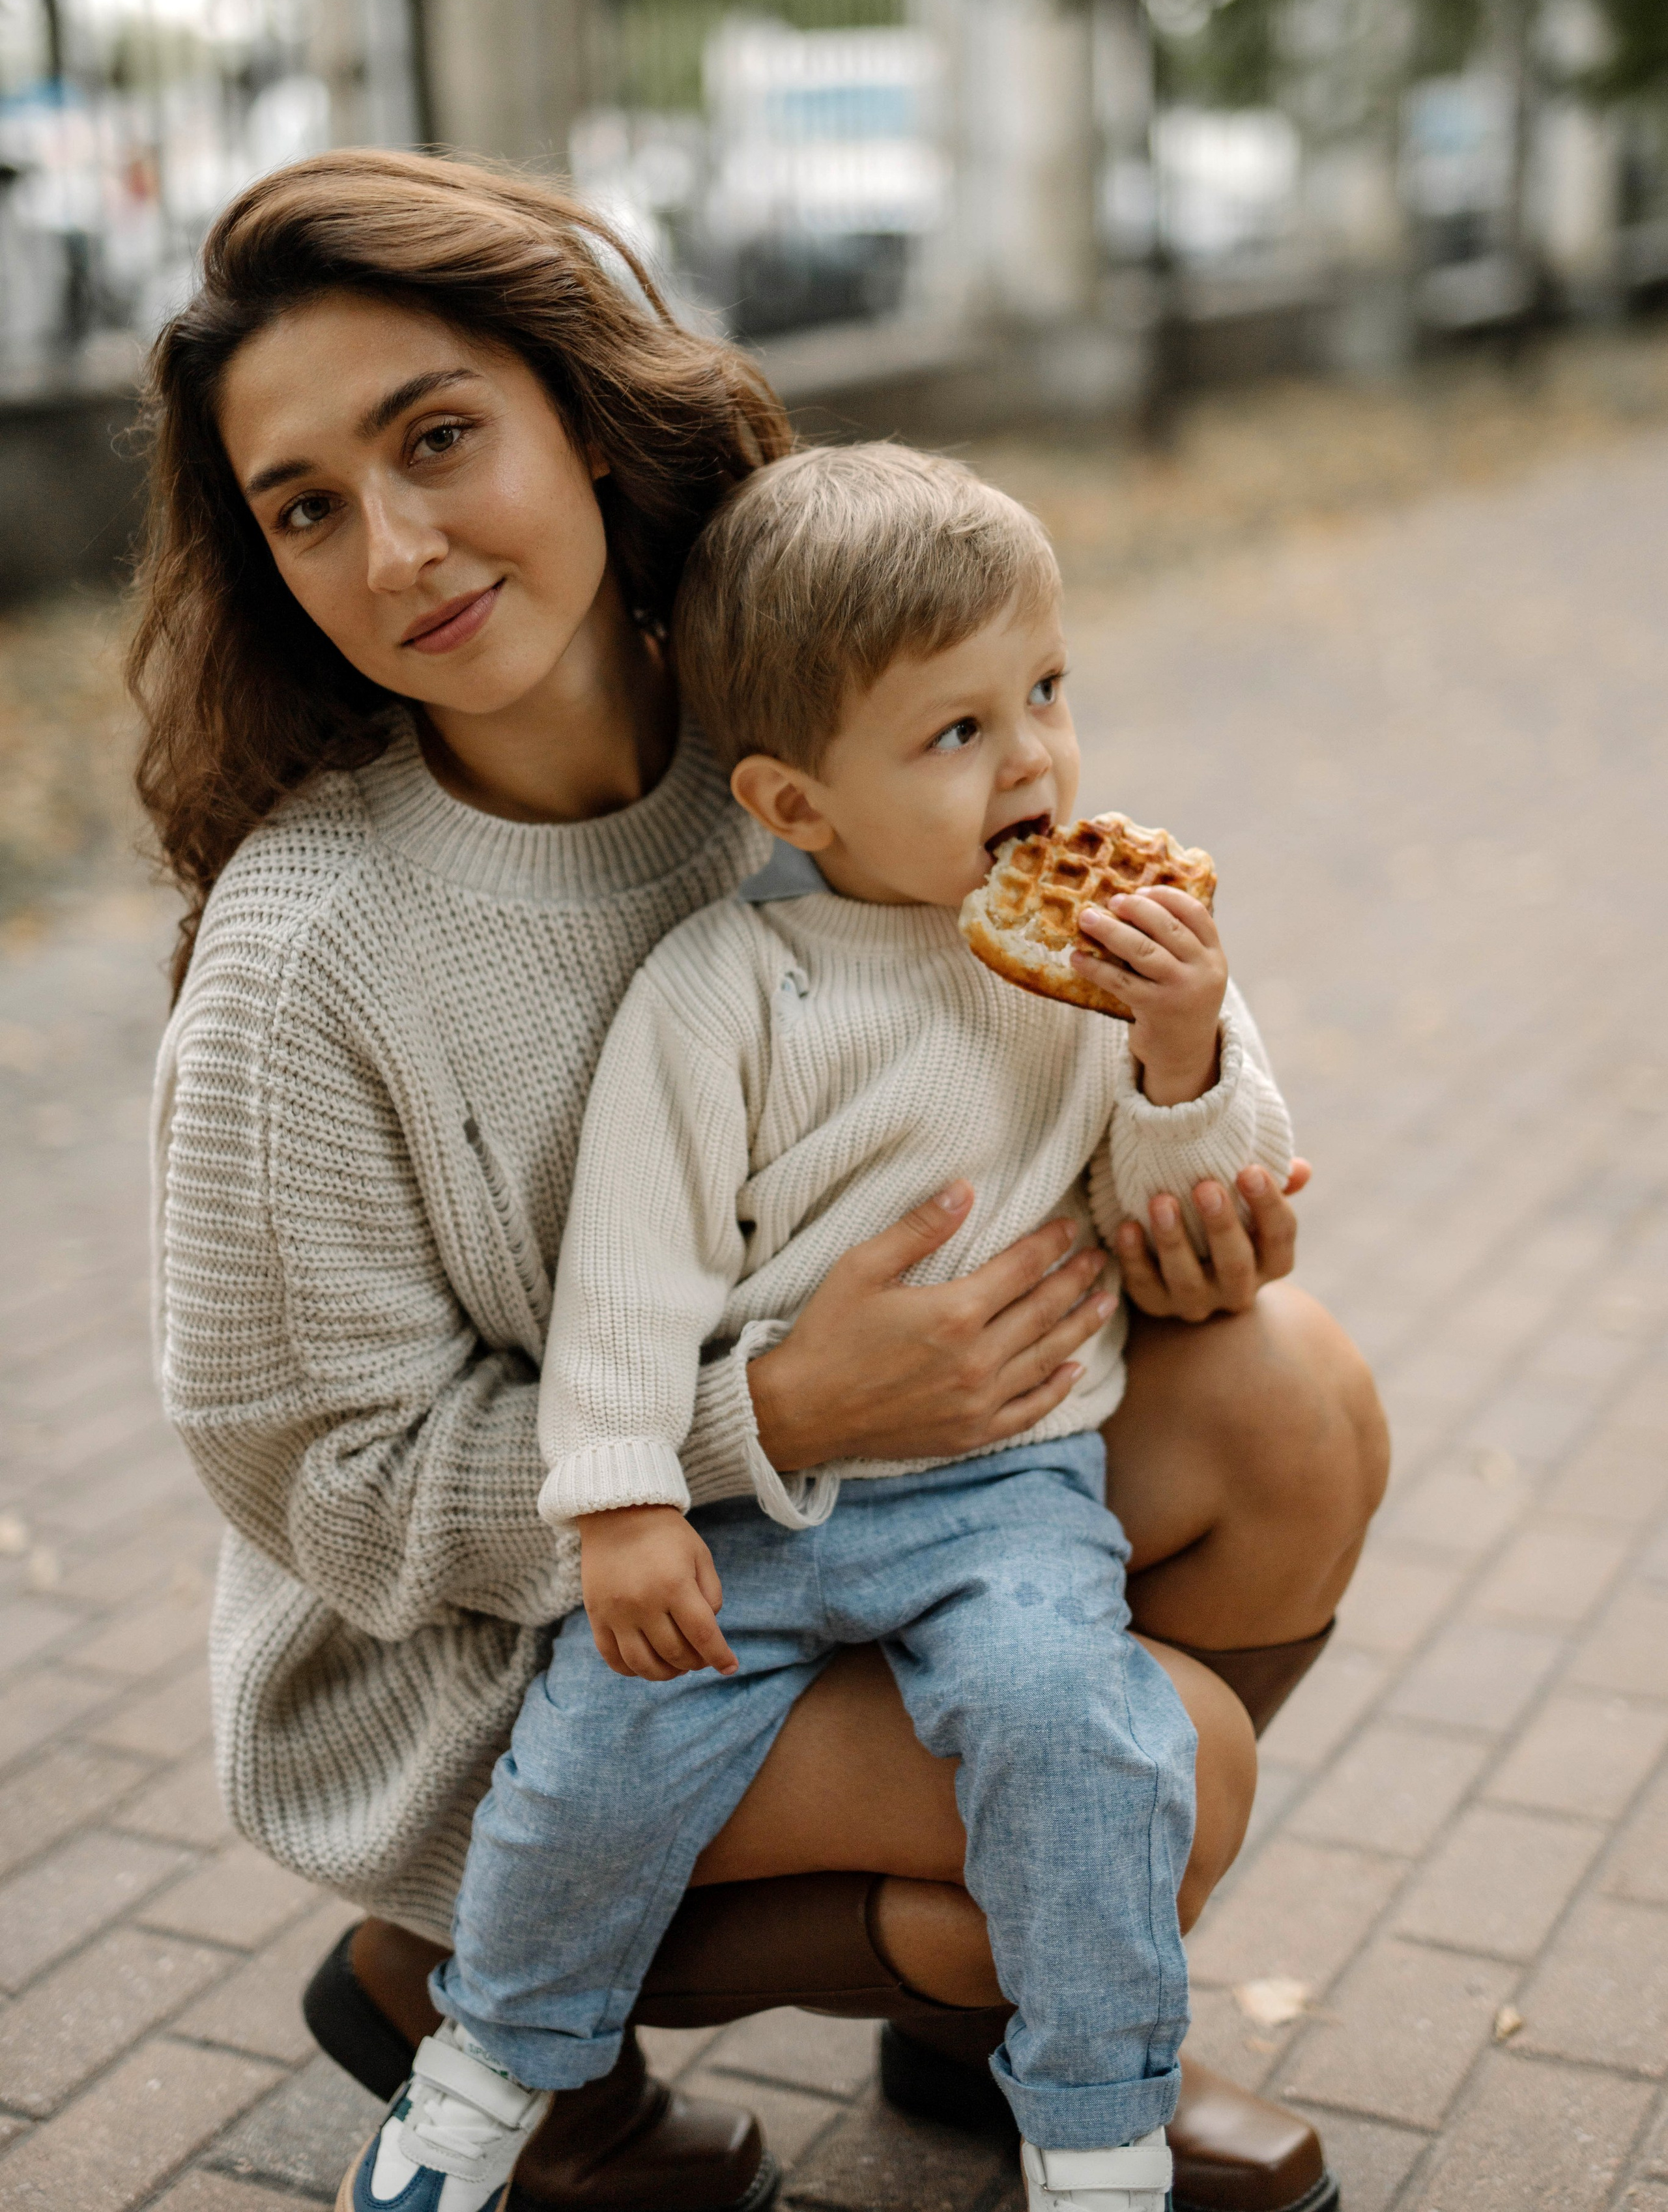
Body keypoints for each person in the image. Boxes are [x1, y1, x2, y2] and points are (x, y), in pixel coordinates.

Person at [136, 149, 1387, 2212]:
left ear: (582, 415)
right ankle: (460, 1965)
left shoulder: (807, 701)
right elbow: (329, 1482)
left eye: (439, 438)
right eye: (309, 509)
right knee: (1174, 1768)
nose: (399, 545)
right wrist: (775, 1413)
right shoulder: (311, 958)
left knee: (1293, 1398)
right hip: (514, 1637)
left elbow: (1069, 978)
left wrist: (1188, 1164)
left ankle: (1009, 2015)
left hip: (935, 1498)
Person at [341, 442, 1297, 2212]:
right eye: (955, 734)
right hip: (744, 1523)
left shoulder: (1102, 967)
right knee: (589, 1775)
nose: (1032, 758)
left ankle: (1097, 2133)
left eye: (1046, 692)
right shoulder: (725, 991)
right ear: (794, 802)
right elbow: (628, 1274)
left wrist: (1185, 1051)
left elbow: (1224, 1190)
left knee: (1078, 1738)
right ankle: (482, 2083)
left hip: (1009, 1495)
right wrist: (622, 1503)